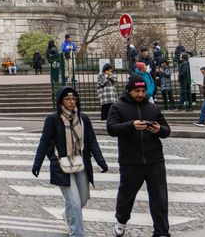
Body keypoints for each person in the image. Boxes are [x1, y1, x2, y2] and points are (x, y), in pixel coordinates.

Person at [32, 87, 108, 237]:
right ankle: (77, 233)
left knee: (83, 200)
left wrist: (101, 161)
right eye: (68, 99)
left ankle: (68, 216)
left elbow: (92, 140)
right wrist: (37, 164)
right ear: (61, 101)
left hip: (80, 163)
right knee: (74, 202)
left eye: (74, 99)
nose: (72, 102)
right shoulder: (53, 119)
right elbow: (44, 142)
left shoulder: (83, 118)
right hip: (62, 165)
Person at [107, 74, 172, 237]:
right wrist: (131, 125)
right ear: (129, 90)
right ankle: (121, 221)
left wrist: (159, 130)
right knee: (126, 196)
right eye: (137, 90)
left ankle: (162, 231)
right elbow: (111, 128)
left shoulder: (153, 108)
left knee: (159, 198)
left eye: (143, 90)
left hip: (155, 160)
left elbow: (166, 130)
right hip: (130, 161)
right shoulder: (117, 107)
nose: (141, 94)